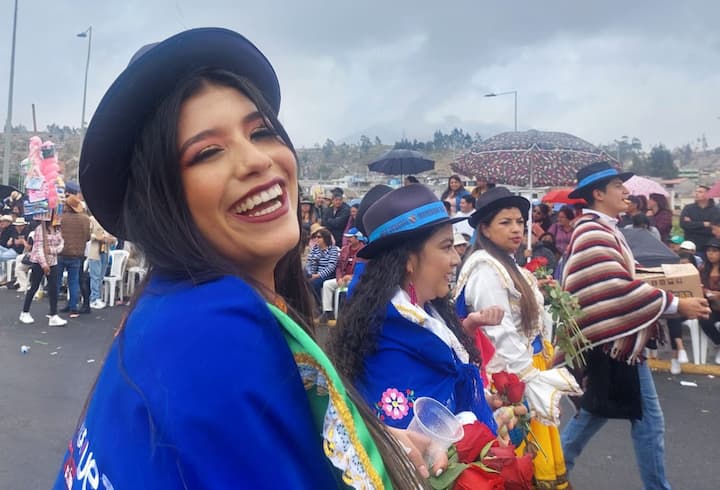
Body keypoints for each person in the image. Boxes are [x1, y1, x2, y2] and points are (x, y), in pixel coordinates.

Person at [53, 28, 443, 489]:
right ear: (161, 200)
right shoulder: (214, 326)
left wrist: (377, 446)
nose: (257, 160)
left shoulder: (171, 309)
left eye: (260, 131)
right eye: (208, 152)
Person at [327, 184, 522, 481]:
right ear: (408, 260)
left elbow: (446, 397)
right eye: (445, 247)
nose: (456, 259)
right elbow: (422, 452)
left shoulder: (423, 315)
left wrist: (484, 405)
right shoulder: (390, 343)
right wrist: (476, 431)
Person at [556, 161, 710, 490]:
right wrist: (677, 304)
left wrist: (680, 289)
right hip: (616, 341)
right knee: (644, 420)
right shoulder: (593, 232)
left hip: (617, 341)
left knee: (595, 415)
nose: (626, 192)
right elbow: (611, 288)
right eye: (617, 187)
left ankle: (549, 473)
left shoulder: (605, 229)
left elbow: (629, 278)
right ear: (598, 194)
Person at [454, 186, 582, 489]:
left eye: (520, 222)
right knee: (520, 460)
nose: (516, 229)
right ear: (484, 228)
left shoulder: (506, 264)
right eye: (505, 222)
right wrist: (529, 383)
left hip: (526, 368)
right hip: (512, 376)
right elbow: (499, 334)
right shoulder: (486, 269)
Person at [19, 214, 67, 326]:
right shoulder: (40, 229)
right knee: (34, 287)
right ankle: (25, 312)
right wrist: (44, 265)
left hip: (53, 261)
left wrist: (52, 250)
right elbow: (39, 248)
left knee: (54, 288)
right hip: (38, 262)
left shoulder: (57, 229)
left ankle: (53, 314)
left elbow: (61, 244)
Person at [319, 227, 366, 325]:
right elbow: (339, 267)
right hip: (343, 278)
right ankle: (328, 312)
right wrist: (339, 278)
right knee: (327, 284)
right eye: (347, 237)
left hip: (356, 279)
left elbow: (365, 270)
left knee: (349, 285)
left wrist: (352, 276)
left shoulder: (364, 250)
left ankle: (345, 315)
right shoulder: (344, 250)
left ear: (357, 238)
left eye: (351, 237)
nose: (348, 239)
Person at [56, 194, 91, 317]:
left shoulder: (61, 218)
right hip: (77, 254)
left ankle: (53, 306)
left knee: (57, 280)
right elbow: (88, 238)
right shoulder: (86, 219)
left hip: (61, 252)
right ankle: (73, 307)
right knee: (74, 282)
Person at [680, 185, 720, 252]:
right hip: (690, 244)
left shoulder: (716, 210)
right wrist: (703, 224)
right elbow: (684, 224)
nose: (697, 194)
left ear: (708, 194)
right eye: (696, 191)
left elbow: (713, 228)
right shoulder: (688, 208)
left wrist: (693, 224)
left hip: (708, 245)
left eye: (700, 192)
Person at [699, 238, 720, 364]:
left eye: (715, 251)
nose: (710, 254)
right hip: (710, 306)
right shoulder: (703, 269)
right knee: (703, 319)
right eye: (708, 251)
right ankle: (719, 343)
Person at [5, 217, 31, 291]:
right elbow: (13, 242)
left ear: (24, 225)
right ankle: (18, 281)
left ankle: (24, 284)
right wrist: (12, 240)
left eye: (21, 225)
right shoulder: (15, 232)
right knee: (18, 258)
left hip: (26, 253)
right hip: (16, 251)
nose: (19, 227)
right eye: (17, 226)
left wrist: (22, 241)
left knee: (19, 267)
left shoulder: (28, 233)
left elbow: (28, 247)